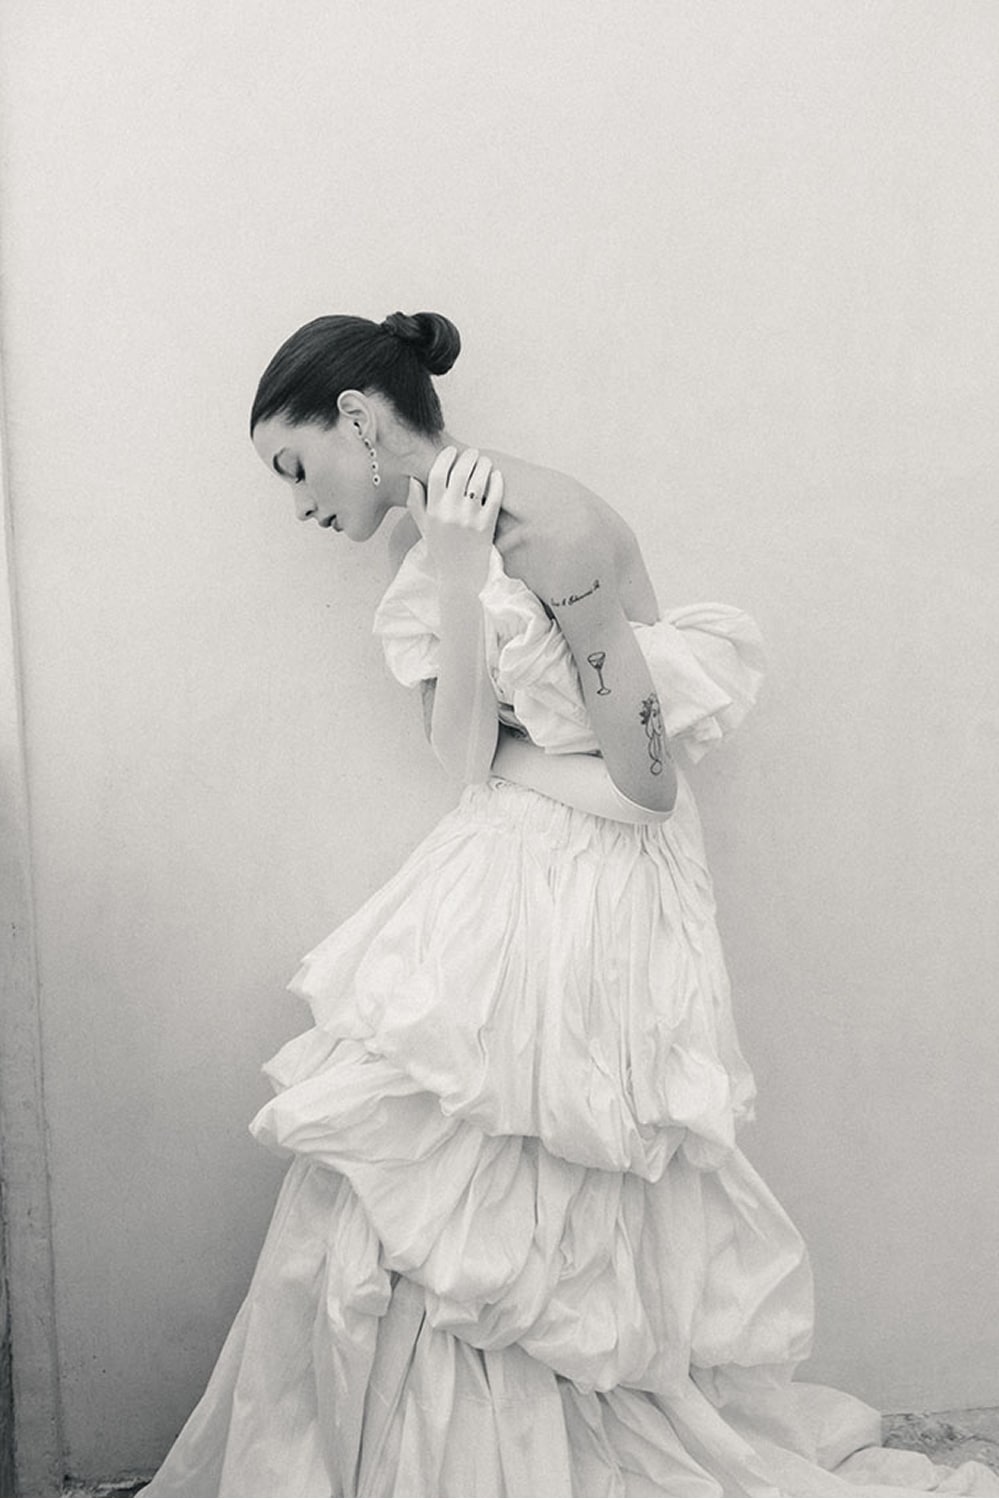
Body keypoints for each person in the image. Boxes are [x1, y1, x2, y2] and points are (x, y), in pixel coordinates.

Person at [143, 312, 997, 1497]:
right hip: (506, 860)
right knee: (407, 1155)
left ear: (356, 417)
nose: (297, 505)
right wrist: (454, 579)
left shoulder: (561, 531)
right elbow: (456, 754)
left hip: (600, 876)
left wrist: (502, 763)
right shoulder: (428, 542)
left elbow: (646, 788)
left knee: (537, 1181)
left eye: (294, 468)